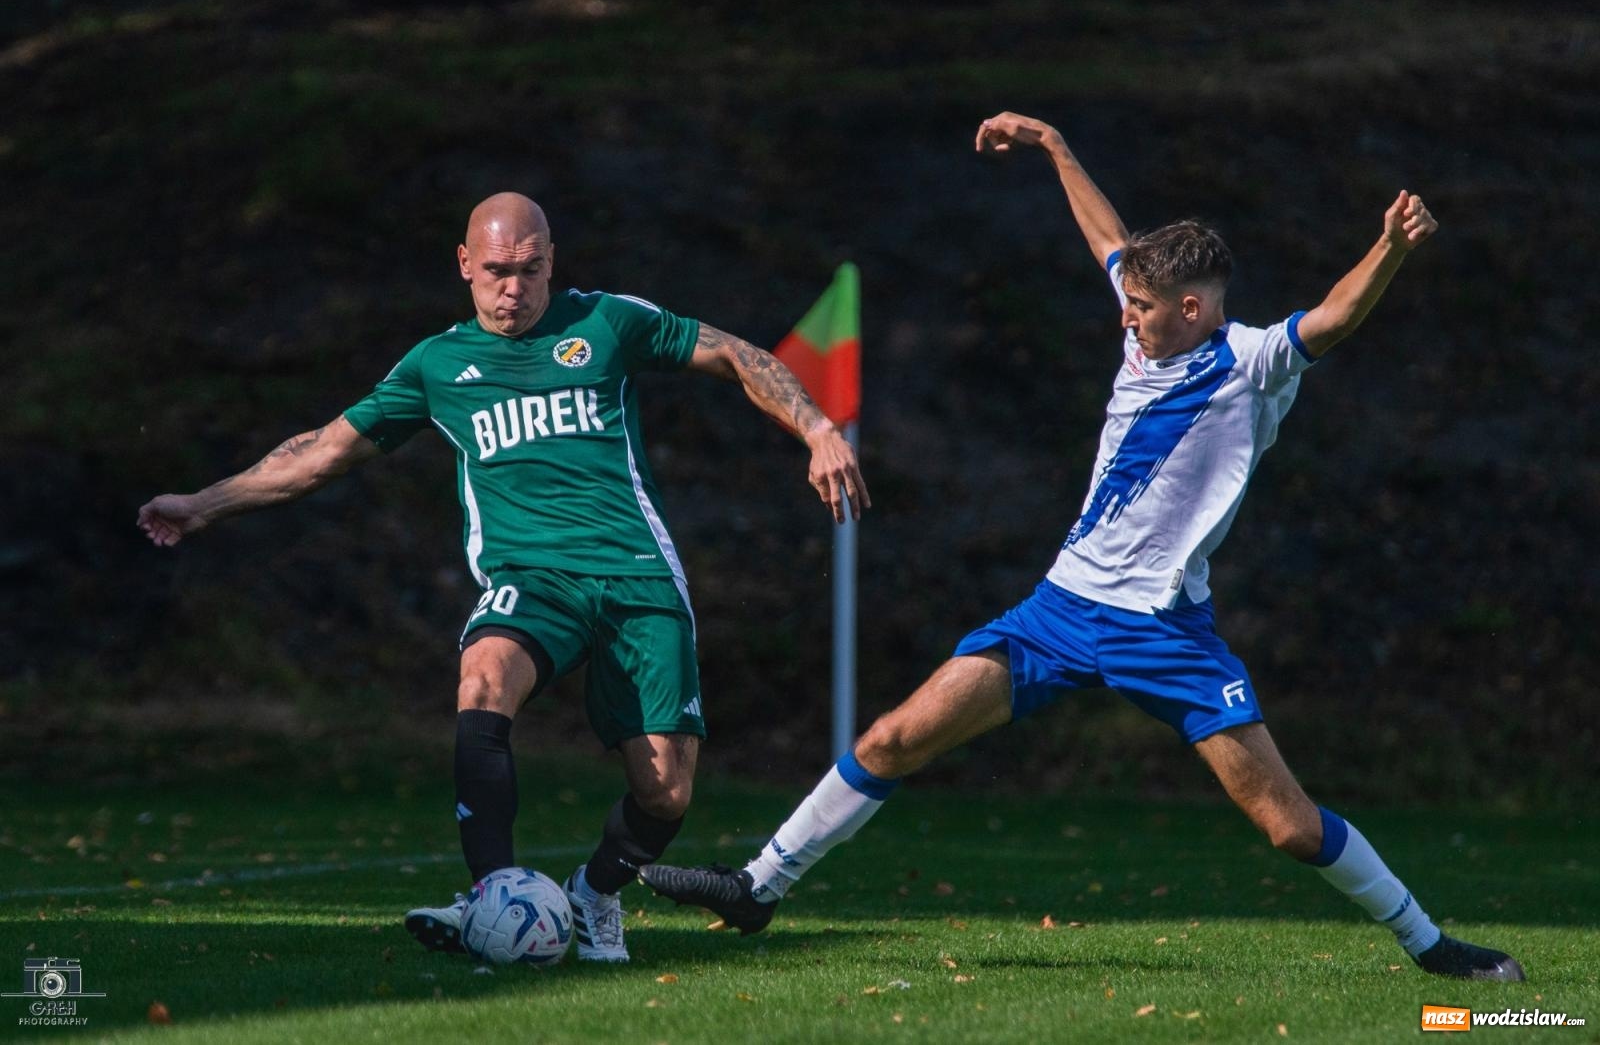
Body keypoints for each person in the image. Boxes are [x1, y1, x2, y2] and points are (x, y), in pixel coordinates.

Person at [640, 112, 1524, 982]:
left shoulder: (1252, 361)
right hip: (1058, 611)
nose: (1125, 318)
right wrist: (1055, 146)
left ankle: (1430, 945)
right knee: (895, 734)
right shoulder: (1147, 328)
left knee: (1288, 827)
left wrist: (1393, 249)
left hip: (1166, 631)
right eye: (1127, 300)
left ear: (1191, 307)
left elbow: (1332, 317)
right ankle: (759, 884)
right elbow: (1107, 236)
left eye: (1141, 307)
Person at [137, 192, 870, 964]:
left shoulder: (607, 323)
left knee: (666, 792)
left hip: (635, 571)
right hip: (530, 576)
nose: (513, 288)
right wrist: (203, 504)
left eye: (529, 270)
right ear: (464, 265)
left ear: (552, 261)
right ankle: (493, 896)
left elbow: (732, 353)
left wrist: (818, 428)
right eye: (495, 272)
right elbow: (319, 450)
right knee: (483, 676)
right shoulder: (437, 365)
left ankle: (593, 895)